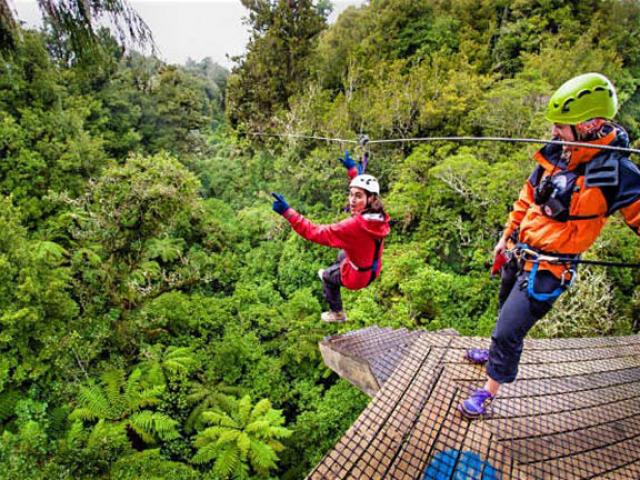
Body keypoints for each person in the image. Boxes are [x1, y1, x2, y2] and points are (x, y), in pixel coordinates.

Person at [459, 72, 640, 418]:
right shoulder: (556, 154)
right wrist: (506, 236)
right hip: (520, 252)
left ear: (591, 124)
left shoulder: (618, 172)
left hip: (549, 268)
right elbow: (526, 198)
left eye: (563, 124)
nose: (555, 131)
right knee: (502, 315)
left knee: (509, 329)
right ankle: (493, 348)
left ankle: (488, 392)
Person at [271, 151, 390, 323]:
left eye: (358, 196)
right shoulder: (379, 215)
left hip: (356, 278)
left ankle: (337, 313)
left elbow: (314, 232)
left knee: (327, 276)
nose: (352, 200)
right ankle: (338, 267)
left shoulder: (353, 227)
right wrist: (353, 171)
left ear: (371, 199)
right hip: (373, 266)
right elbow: (362, 188)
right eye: (351, 194)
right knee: (342, 253)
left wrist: (288, 212)